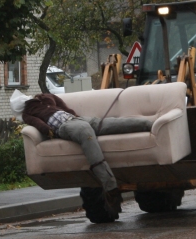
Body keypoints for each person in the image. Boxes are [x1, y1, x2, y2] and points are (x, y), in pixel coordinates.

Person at [13, 90, 153, 216]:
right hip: (67, 126)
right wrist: (49, 130)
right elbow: (38, 123)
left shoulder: (43, 100)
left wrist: (62, 120)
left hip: (79, 120)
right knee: (87, 135)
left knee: (114, 124)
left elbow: (60, 108)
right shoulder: (29, 112)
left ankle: (150, 125)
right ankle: (110, 187)